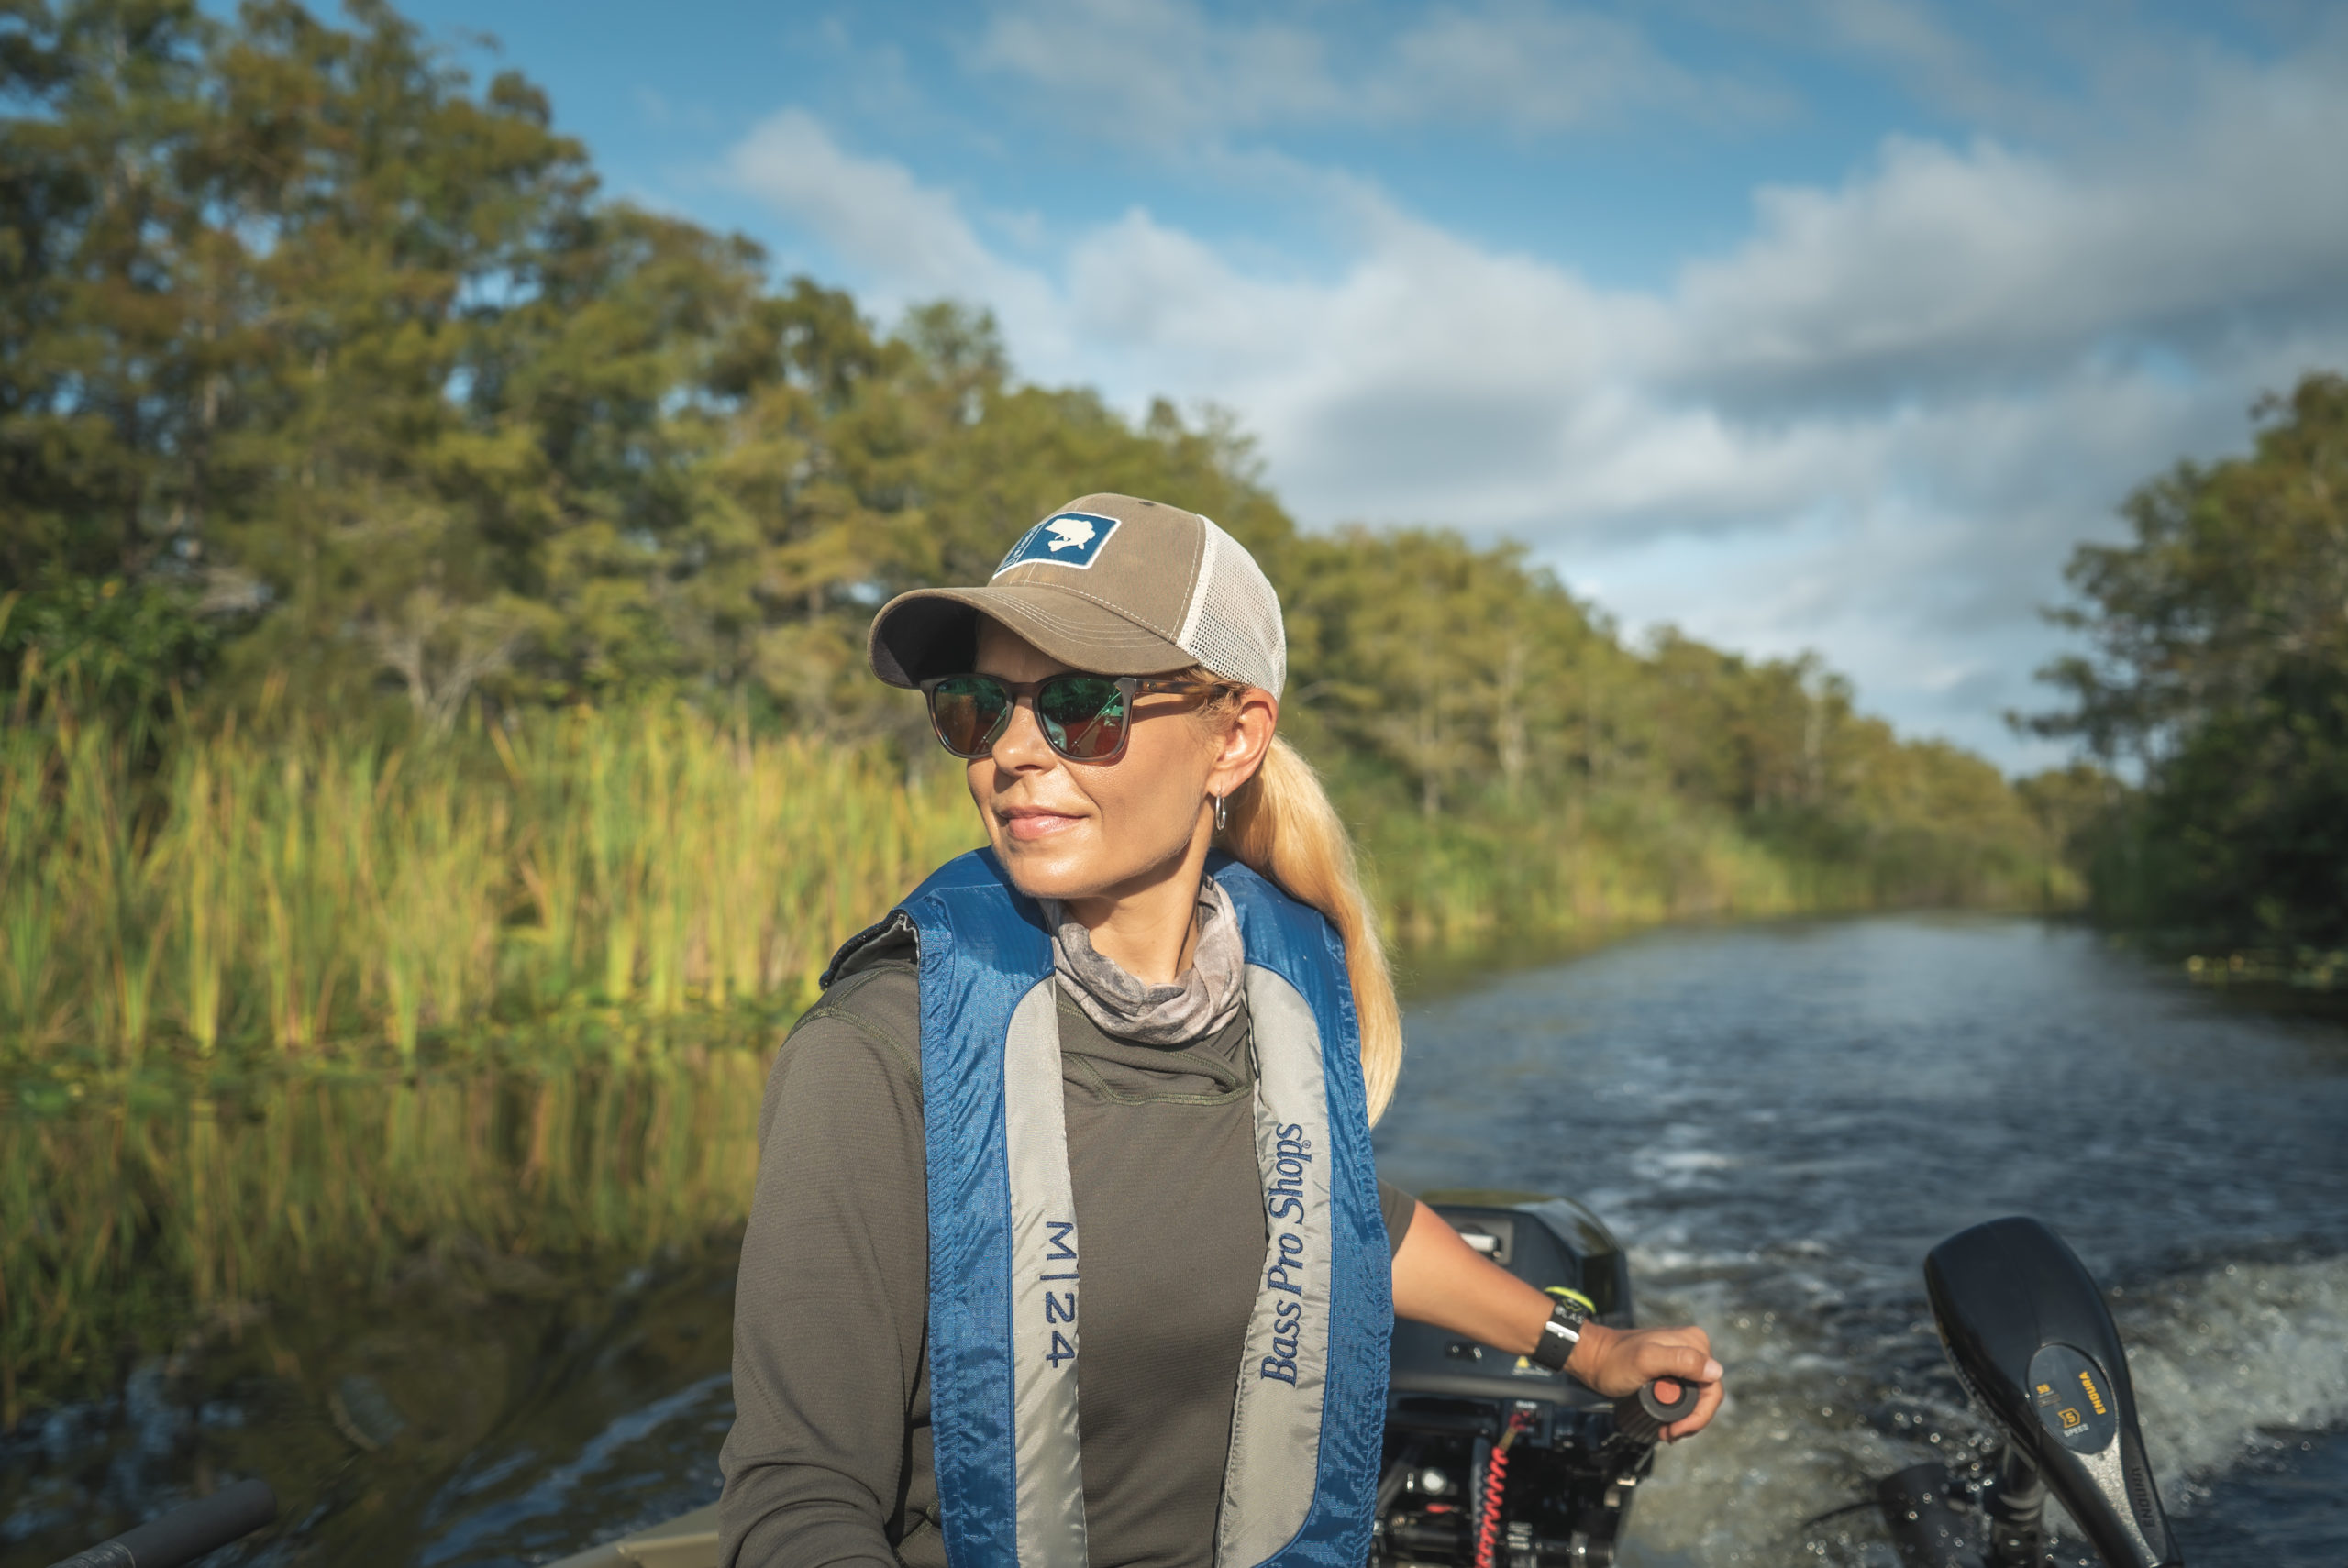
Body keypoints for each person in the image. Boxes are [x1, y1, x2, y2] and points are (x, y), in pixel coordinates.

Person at [718, 493, 1724, 1568]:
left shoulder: (1269, 1009)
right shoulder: (877, 1054)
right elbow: (799, 1499)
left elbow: (1341, 1224)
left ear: (1234, 738)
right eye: (975, 706)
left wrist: (1590, 1346)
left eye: (1078, 704)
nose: (1011, 752)